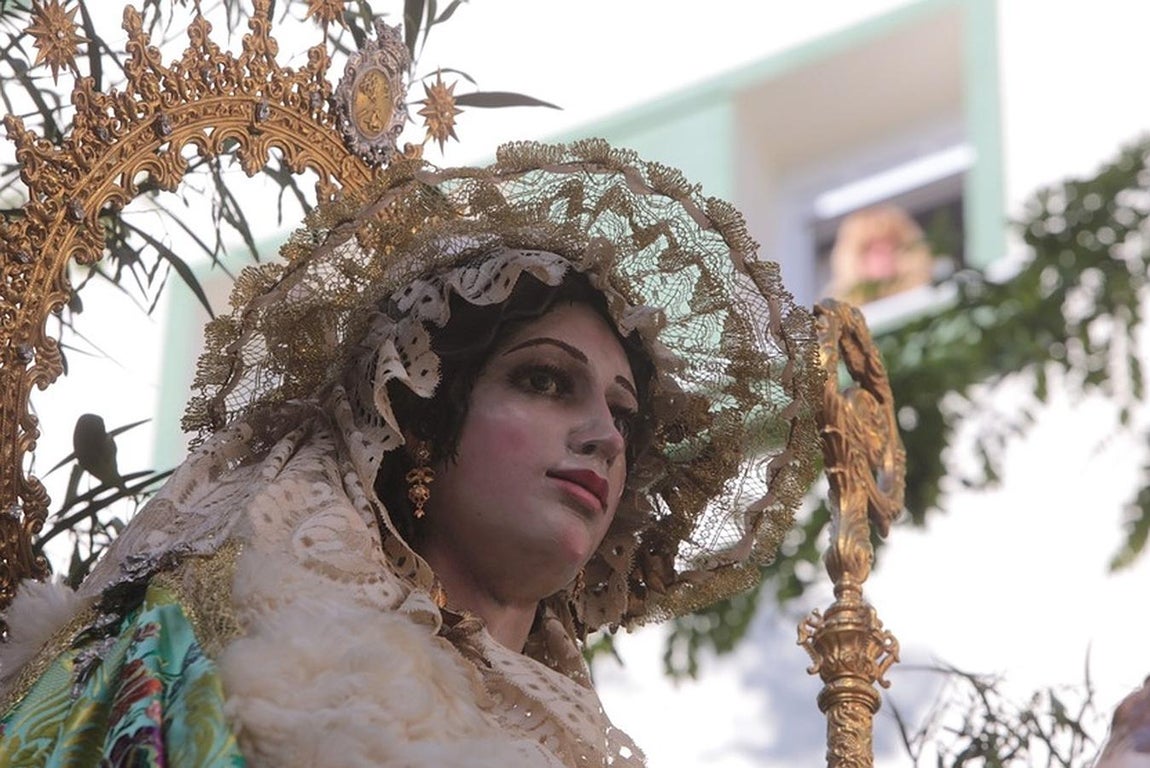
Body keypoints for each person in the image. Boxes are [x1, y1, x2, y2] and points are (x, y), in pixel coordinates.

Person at [0, 140, 822, 767]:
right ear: (417, 420)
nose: (604, 438)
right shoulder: (210, 642)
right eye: (545, 382)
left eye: (622, 415)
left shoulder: (571, 739)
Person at [825, 203, 935, 305]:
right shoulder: (838, 317)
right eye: (870, 248)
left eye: (892, 245)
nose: (884, 256)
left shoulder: (932, 294)